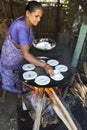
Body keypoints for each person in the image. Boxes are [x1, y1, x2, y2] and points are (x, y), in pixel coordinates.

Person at [0, 1, 54, 102]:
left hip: (18, 57)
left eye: (40, 17)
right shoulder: (21, 27)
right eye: (36, 16)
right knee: (8, 75)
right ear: (28, 13)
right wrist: (45, 65)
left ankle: (18, 93)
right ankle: (3, 95)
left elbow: (24, 41)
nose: (38, 20)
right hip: (10, 57)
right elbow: (26, 54)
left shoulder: (26, 21)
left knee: (18, 73)